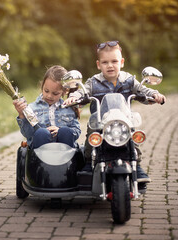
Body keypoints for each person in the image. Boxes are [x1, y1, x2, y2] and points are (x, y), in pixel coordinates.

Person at [64, 40, 166, 183]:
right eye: (105, 62)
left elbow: (143, 90)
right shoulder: (93, 82)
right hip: (100, 122)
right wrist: (74, 97)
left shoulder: (129, 80)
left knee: (132, 136)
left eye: (114, 61)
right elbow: (83, 92)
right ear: (99, 64)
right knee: (91, 137)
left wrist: (155, 95)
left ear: (122, 62)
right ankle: (89, 162)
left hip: (123, 120)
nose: (110, 65)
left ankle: (136, 163)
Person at [13, 65, 81, 149]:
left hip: (64, 152)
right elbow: (28, 134)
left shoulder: (68, 108)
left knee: (65, 131)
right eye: (46, 91)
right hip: (41, 153)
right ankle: (41, 159)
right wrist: (22, 115)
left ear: (64, 91)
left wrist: (59, 131)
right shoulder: (32, 108)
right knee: (41, 133)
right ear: (42, 86)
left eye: (55, 93)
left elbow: (76, 131)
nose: (49, 96)